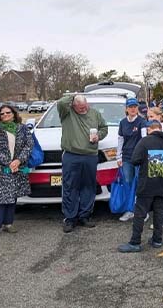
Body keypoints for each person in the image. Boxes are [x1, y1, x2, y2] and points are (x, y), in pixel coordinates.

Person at [118, 120, 163, 253]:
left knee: (140, 213)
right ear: (160, 129)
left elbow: (134, 160)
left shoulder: (144, 141)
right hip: (162, 183)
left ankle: (135, 242)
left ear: (149, 129)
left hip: (147, 184)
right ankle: (157, 240)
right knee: (159, 212)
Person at [57, 94, 108, 233]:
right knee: (70, 187)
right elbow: (61, 102)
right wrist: (74, 95)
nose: (83, 109)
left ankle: (85, 215)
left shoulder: (95, 114)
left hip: (90, 155)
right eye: (80, 108)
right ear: (73, 106)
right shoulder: (66, 113)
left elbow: (104, 128)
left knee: (88, 186)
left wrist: (99, 136)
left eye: (85, 106)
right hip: (71, 155)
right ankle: (70, 218)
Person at [0, 105, 33, 239]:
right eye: (2, 114)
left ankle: (8, 223)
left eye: (8, 112)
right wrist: (9, 162)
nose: (5, 115)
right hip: (0, 169)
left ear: (13, 113)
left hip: (18, 168)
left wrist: (18, 160)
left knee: (12, 196)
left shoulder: (22, 129)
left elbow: (29, 145)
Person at [116, 98, 146, 222]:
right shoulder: (122, 122)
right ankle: (129, 209)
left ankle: (142, 210)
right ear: (126, 109)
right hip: (127, 157)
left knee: (140, 184)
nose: (133, 109)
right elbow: (120, 140)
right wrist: (118, 156)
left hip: (139, 157)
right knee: (128, 182)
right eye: (130, 107)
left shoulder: (141, 121)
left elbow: (144, 138)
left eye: (135, 106)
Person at [143, 106, 163, 229]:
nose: (149, 119)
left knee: (161, 192)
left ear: (159, 116)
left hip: (160, 160)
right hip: (156, 160)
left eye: (152, 116)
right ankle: (159, 216)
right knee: (157, 191)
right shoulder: (156, 128)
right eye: (148, 117)